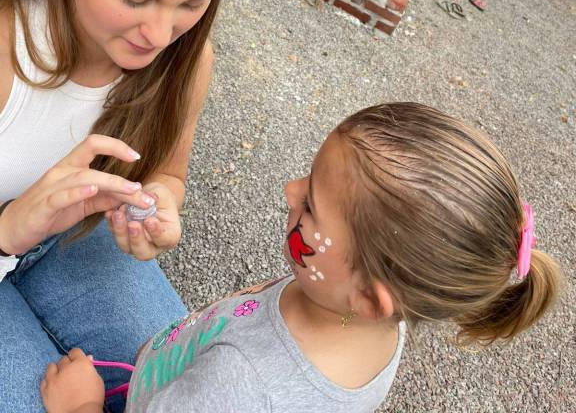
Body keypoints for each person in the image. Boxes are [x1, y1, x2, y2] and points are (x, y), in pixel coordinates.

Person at [40, 102, 561, 413]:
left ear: (369, 298)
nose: (290, 190)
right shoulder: (368, 314)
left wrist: (81, 405)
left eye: (310, 205)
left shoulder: (242, 385)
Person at [0, 0, 262, 411]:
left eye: (193, 4)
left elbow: (168, 172)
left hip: (75, 238)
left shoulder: (187, 62)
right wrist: (10, 230)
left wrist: (161, 203)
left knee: (183, 385)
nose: (160, 34)